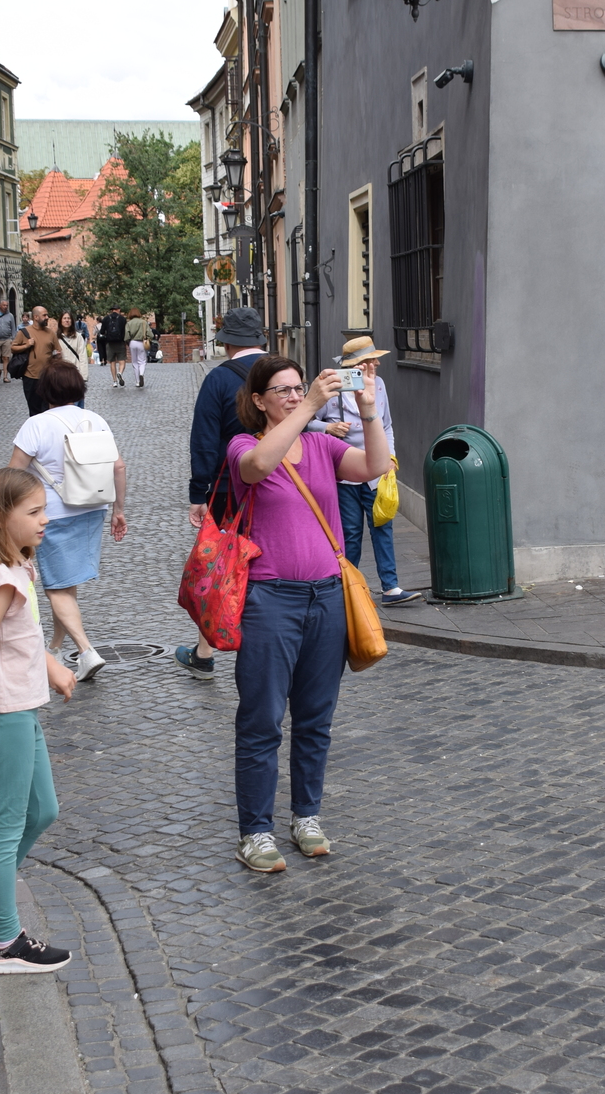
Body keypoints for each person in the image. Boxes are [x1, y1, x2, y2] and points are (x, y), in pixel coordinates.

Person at [224, 354, 391, 872]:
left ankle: (306, 818)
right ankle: (255, 831)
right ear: (259, 401)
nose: (296, 396)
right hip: (270, 601)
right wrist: (313, 406)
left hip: (327, 598)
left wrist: (367, 411)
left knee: (316, 718)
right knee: (262, 720)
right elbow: (259, 467)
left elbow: (375, 466)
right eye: (283, 390)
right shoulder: (244, 446)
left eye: (300, 388)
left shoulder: (321, 446)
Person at [0, 466, 77, 974]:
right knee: (5, 831)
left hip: (19, 711)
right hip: (2, 716)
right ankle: (4, 943)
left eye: (45, 509)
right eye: (34, 512)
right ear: (0, 518)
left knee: (43, 810)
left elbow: (21, 636)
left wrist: (51, 669)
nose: (45, 519)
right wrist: (1, 672)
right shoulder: (2, 580)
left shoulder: (18, 567)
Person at [8, 361, 124, 684]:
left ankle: (87, 652)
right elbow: (119, 467)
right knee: (65, 583)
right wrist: (119, 509)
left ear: (44, 390)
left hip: (53, 514)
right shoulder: (96, 420)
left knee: (56, 586)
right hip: (93, 508)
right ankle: (55, 649)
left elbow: (13, 474)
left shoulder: (35, 425)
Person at [175, 306, 268, 679]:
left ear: (227, 343)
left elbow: (205, 440)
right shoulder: (285, 372)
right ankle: (272, 648)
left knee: (222, 564)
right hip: (282, 483)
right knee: (269, 563)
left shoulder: (218, 379)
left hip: (232, 489)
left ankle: (204, 652)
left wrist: (199, 493)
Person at [308, 336, 421, 605]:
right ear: (357, 365)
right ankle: (349, 589)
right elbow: (307, 421)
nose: (377, 363)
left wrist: (390, 457)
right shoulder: (332, 388)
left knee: (383, 526)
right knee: (350, 534)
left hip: (375, 474)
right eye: (372, 360)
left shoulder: (378, 385)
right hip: (344, 474)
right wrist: (328, 427)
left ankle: (391, 587)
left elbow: (386, 425)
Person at [10, 305, 59, 417]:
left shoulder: (51, 333)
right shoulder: (24, 332)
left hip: (47, 377)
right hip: (30, 377)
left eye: (47, 315)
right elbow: (13, 348)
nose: (47, 317)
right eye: (44, 315)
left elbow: (57, 351)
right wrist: (26, 345)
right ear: (36, 317)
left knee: (47, 410)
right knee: (34, 410)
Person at [55, 311, 87, 394]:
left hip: (75, 373)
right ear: (60, 321)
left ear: (72, 321)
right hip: (61, 373)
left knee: (76, 398)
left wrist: (83, 376)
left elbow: (83, 356)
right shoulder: (55, 337)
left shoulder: (78, 337)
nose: (67, 320)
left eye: (69, 318)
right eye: (64, 318)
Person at [98, 306, 127, 387]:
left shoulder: (106, 319)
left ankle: (114, 381)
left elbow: (102, 331)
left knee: (112, 362)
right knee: (122, 361)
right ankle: (120, 372)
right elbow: (125, 331)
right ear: (119, 310)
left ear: (112, 310)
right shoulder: (122, 319)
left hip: (110, 343)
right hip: (120, 342)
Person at [0, 305, 18, 383]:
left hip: (7, 339)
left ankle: (5, 377)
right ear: (0, 306)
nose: (6, 307)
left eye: (7, 305)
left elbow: (13, 328)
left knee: (6, 358)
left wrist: (13, 339)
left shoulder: (10, 315)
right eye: (4, 305)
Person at [125, 308, 151, 388]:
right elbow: (150, 334)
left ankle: (137, 381)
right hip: (141, 342)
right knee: (142, 361)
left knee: (134, 362)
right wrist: (148, 339)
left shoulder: (129, 323)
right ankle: (141, 374)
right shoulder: (143, 322)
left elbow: (126, 336)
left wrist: (128, 342)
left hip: (132, 342)